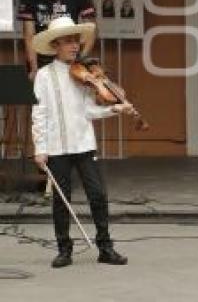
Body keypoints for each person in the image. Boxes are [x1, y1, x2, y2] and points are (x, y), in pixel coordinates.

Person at [31, 17, 137, 268]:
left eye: (76, 41)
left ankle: (105, 247)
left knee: (98, 195)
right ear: (56, 45)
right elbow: (39, 113)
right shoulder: (44, 76)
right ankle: (63, 249)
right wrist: (40, 148)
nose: (74, 46)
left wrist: (115, 110)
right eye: (68, 41)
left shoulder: (85, 75)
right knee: (61, 200)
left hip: (84, 144)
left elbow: (89, 111)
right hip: (56, 147)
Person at [17, 0, 97, 79]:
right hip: (43, 61)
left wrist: (81, 58)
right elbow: (29, 36)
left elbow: (91, 28)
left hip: (71, 59)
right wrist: (34, 68)